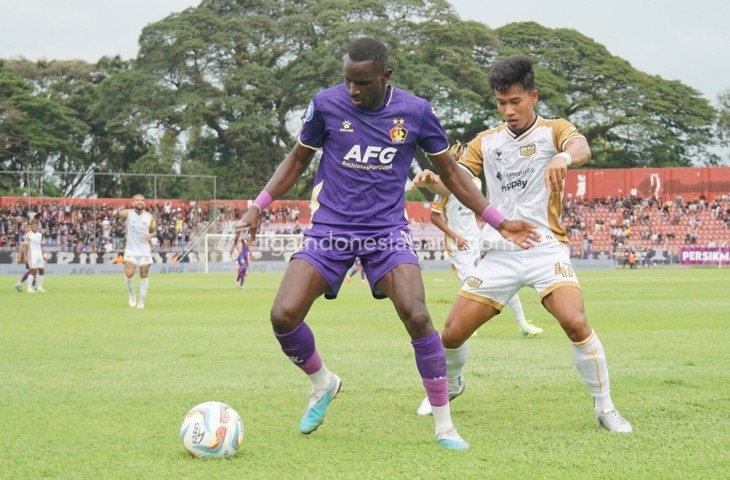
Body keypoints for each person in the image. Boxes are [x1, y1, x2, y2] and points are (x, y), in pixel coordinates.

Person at [233, 38, 539, 450]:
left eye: (362, 82)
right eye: (347, 81)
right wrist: (258, 205)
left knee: (416, 314)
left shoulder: (415, 112)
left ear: (386, 77)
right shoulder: (325, 105)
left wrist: (498, 221)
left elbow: (451, 173)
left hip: (386, 233)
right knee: (282, 315)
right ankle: (323, 383)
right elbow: (296, 160)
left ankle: (444, 426)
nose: (353, 91)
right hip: (330, 229)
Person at [411, 55, 632, 432]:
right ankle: (453, 384)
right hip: (499, 251)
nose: (508, 110)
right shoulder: (486, 142)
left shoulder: (554, 130)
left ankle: (605, 407)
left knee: (575, 322)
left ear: (533, 96)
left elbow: (581, 148)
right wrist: (435, 181)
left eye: (515, 101)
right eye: (501, 103)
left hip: (545, 248)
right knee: (450, 334)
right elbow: (459, 181)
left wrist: (562, 157)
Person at [424, 142, 544, 338]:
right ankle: (467, 327)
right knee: (473, 286)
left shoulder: (476, 183)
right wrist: (456, 236)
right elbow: (434, 217)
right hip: (458, 246)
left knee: (505, 279)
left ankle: (523, 324)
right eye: (463, 157)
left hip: (476, 240)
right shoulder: (444, 187)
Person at [114, 194, 157, 309]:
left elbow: (155, 232)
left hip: (144, 251)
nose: (140, 202)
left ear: (144, 203)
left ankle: (141, 301)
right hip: (131, 250)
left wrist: (150, 235)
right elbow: (120, 215)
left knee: (144, 274)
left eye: (142, 200)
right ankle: (132, 294)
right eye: (137, 200)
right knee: (129, 273)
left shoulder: (149, 217)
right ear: (133, 202)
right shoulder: (128, 213)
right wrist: (116, 213)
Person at [24, 221, 47, 293]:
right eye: (33, 226)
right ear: (31, 227)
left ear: (37, 227)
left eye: (36, 226)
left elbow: (41, 245)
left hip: (39, 254)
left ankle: (39, 287)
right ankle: (29, 288)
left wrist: (43, 255)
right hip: (32, 254)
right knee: (33, 271)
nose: (34, 228)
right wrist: (25, 257)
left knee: (41, 270)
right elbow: (26, 246)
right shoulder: (28, 235)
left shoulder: (40, 234)